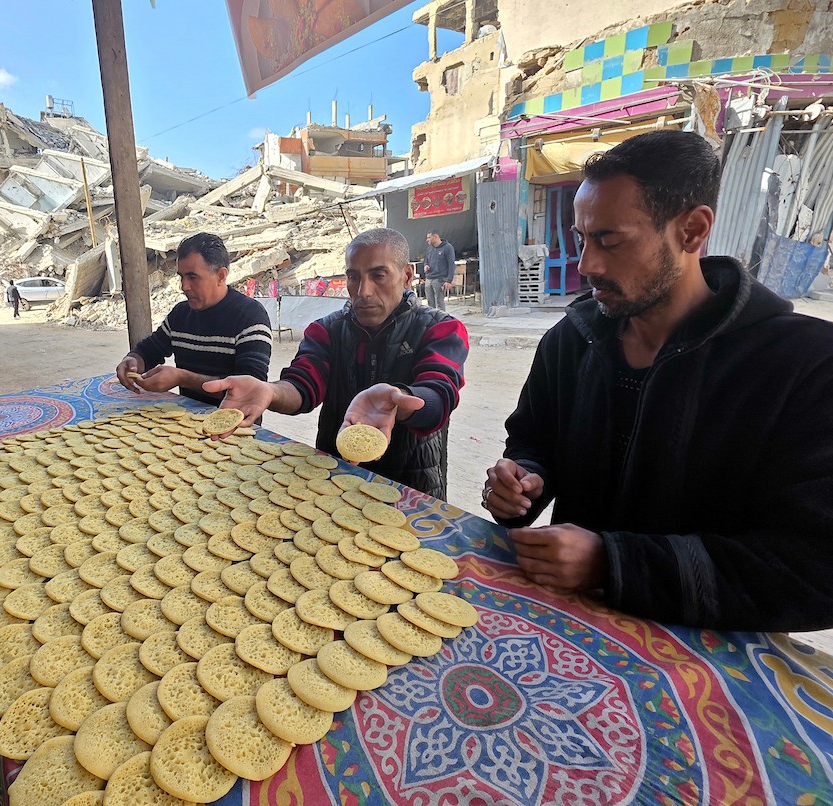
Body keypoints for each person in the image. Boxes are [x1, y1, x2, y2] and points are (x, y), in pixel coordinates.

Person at [482, 129, 833, 632]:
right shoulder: (571, 341)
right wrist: (523, 481)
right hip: (567, 630)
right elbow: (535, 439)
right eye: (583, 239)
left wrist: (614, 563)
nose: (588, 266)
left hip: (712, 671)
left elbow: (815, 567)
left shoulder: (805, 365)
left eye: (610, 240)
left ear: (691, 230)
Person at [204, 227, 468, 499]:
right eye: (353, 277)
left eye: (378, 275)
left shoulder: (440, 328)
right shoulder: (326, 331)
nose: (363, 291)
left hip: (412, 490)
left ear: (407, 276)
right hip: (333, 482)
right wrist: (271, 391)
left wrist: (400, 399)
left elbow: (439, 396)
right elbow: (303, 385)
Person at [116, 232, 272, 405]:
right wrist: (133, 360)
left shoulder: (250, 317)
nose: (184, 286)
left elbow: (250, 390)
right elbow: (150, 350)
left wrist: (182, 378)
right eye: (181, 277)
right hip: (184, 422)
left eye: (193, 277)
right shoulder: (181, 314)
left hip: (235, 426)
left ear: (221, 275)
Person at [423, 232, 455, 311]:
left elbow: (451, 264)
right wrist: (426, 266)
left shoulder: (447, 248)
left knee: (439, 303)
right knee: (430, 303)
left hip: (439, 279)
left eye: (429, 237)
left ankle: (441, 320)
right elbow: (426, 260)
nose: (427, 240)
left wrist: (449, 280)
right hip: (429, 278)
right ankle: (432, 320)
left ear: (436, 237)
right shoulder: (429, 249)